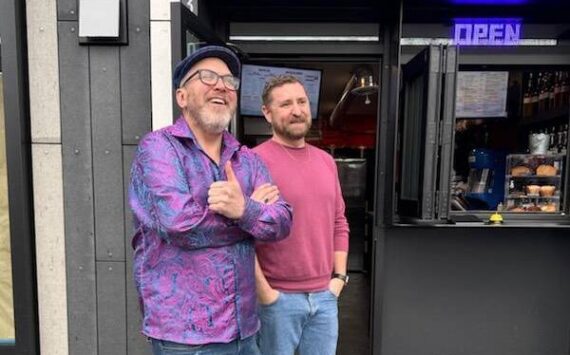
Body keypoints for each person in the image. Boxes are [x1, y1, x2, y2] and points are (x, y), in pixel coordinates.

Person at [128, 45, 292, 355]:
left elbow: (282, 221)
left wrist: (243, 208)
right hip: (186, 336)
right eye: (207, 77)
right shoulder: (158, 149)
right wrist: (250, 215)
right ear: (182, 97)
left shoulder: (247, 159)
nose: (221, 85)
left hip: (245, 328)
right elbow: (179, 225)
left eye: (230, 81)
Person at [252, 75, 350, 355]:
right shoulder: (252, 161)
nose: (296, 110)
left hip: (325, 298)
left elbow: (339, 222)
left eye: (301, 101)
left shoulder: (326, 161)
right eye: (285, 104)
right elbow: (239, 233)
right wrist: (266, 295)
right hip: (277, 299)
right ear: (267, 114)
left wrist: (338, 279)